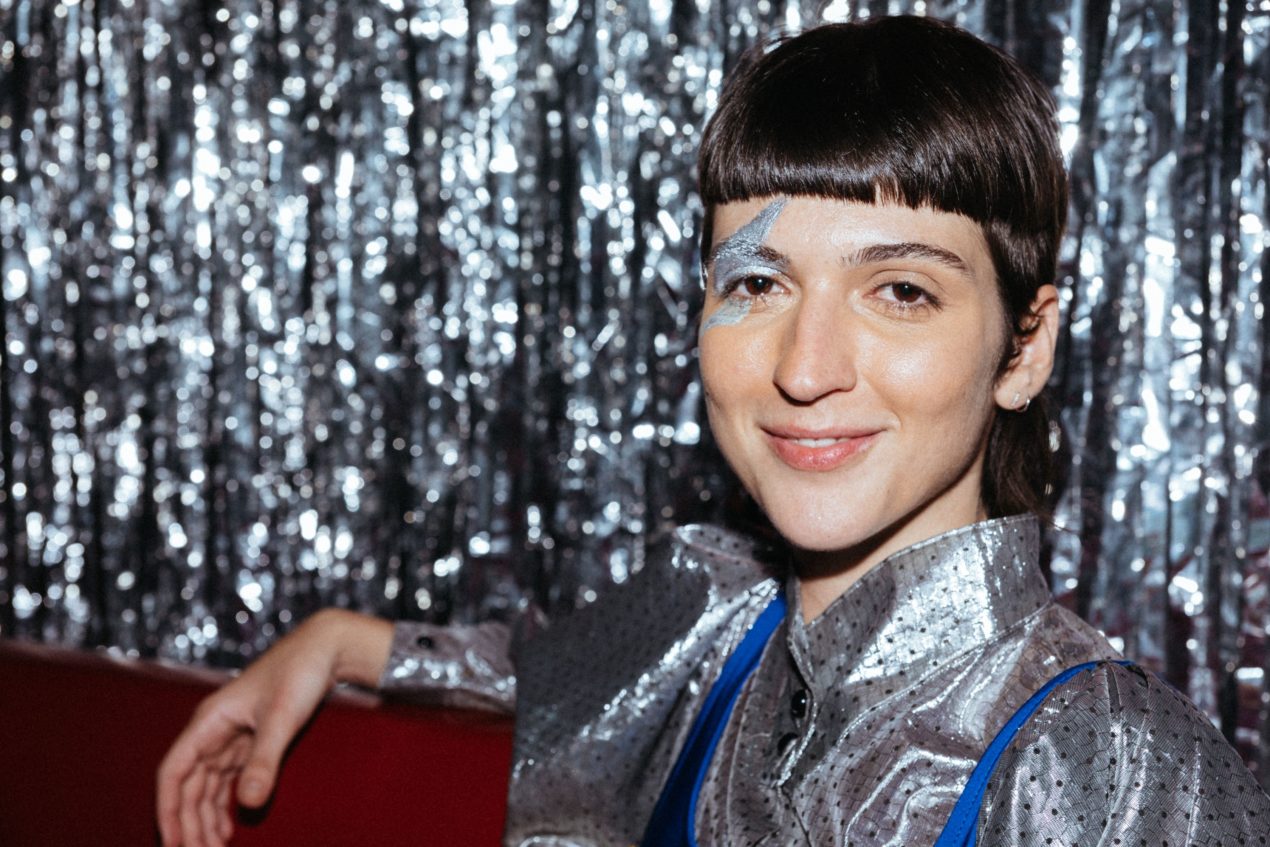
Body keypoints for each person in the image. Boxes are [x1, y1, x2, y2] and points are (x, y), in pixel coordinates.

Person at [157, 15, 1270, 847]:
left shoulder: (1118, 767)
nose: (804, 367)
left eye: (902, 291)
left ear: (1024, 349)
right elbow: (539, 673)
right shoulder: (713, 625)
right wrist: (338, 641)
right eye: (757, 283)